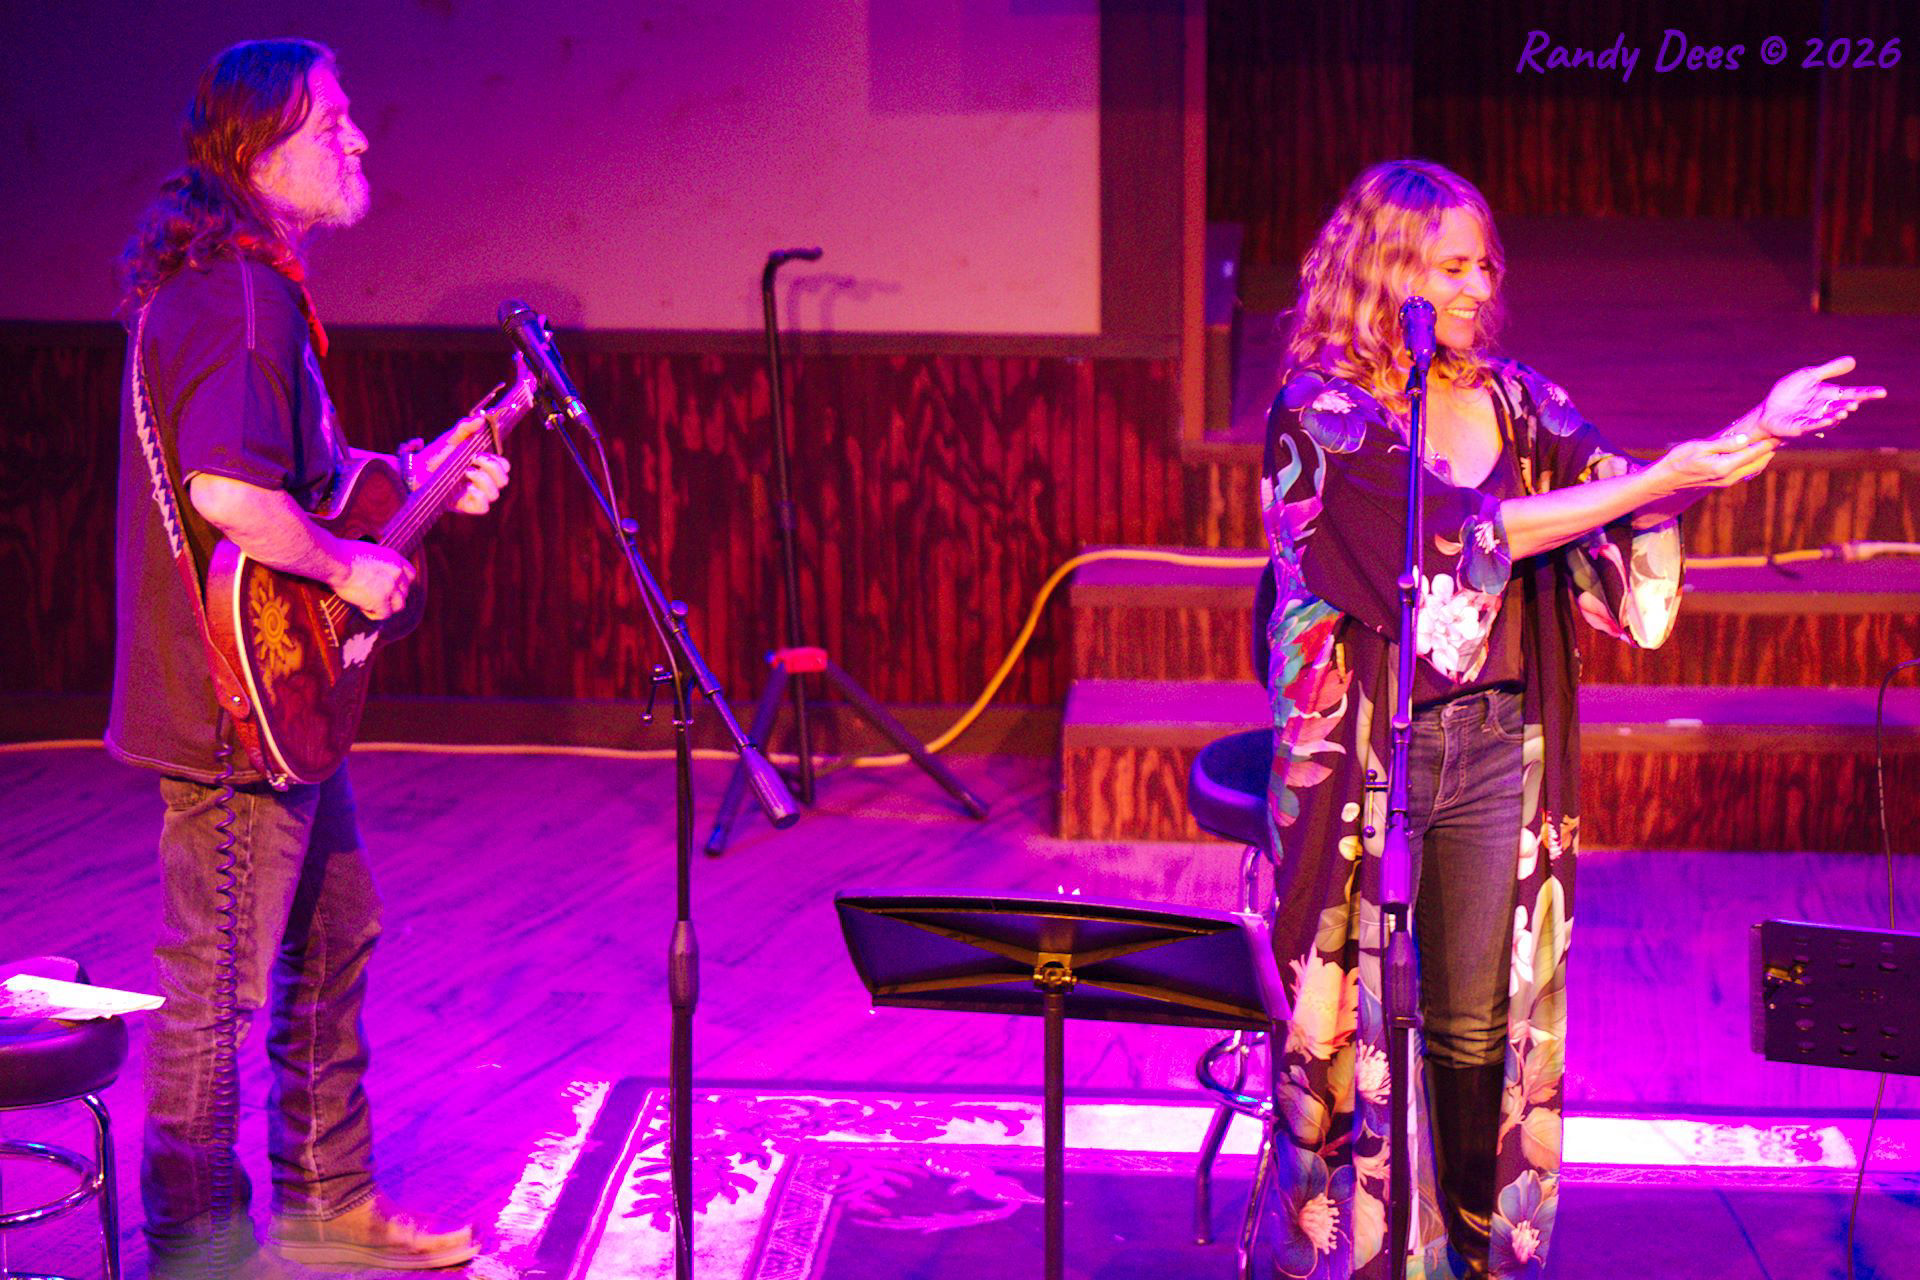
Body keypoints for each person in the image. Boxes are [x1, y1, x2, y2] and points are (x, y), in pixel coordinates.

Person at [1257, 159, 1881, 1279]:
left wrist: (1742, 436)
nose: (1475, 283)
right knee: (1346, 1023)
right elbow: (1451, 534)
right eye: (1448, 264)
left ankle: (1463, 1261)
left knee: (1474, 1030)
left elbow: (1615, 499)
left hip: (1500, 744)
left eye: (1483, 262)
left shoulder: (1519, 399)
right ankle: (1350, 1258)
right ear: (1384, 267)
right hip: (1363, 774)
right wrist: (1657, 478)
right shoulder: (1320, 411)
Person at [111, 40, 511, 1278]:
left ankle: (328, 1210)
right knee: (218, 995)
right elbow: (233, 491)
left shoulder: (236, 287)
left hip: (278, 700)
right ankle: (195, 1252)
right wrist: (349, 570)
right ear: (256, 151)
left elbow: (301, 479)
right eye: (331, 123)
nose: (360, 140)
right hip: (239, 709)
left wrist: (436, 468)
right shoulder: (241, 295)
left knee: (332, 939)